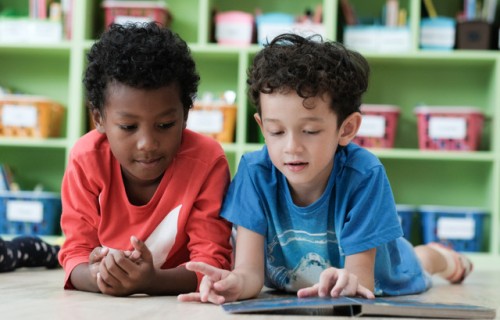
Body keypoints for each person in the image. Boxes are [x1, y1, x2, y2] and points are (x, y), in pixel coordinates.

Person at [177, 33, 473, 304]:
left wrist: (347, 282)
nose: (291, 147)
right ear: (262, 128)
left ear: (346, 129)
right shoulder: (254, 173)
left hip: (385, 273)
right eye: (277, 132)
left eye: (310, 131)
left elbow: (361, 278)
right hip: (295, 281)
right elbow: (250, 275)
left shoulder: (364, 174)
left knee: (416, 261)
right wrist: (233, 283)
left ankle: (440, 255)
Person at [58, 22, 232, 296]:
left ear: (185, 115)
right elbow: (75, 255)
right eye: (128, 127)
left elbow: (212, 264)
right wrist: (101, 278)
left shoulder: (207, 162)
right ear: (98, 119)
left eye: (165, 125)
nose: (147, 144)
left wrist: (152, 281)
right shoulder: (86, 159)